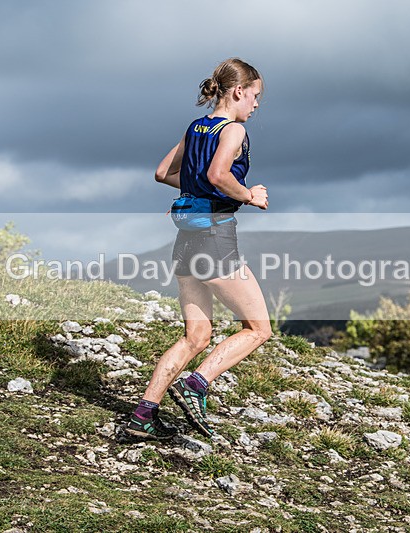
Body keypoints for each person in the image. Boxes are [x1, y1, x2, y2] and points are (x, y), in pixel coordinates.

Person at [122, 58, 272, 441]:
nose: (256, 105)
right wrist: (248, 196)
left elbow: (163, 173)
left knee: (196, 337)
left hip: (185, 241)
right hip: (215, 240)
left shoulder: (196, 127)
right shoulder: (233, 131)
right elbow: (217, 175)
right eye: (255, 96)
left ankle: (143, 416)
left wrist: (200, 192)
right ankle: (197, 384)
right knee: (258, 328)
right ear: (239, 91)